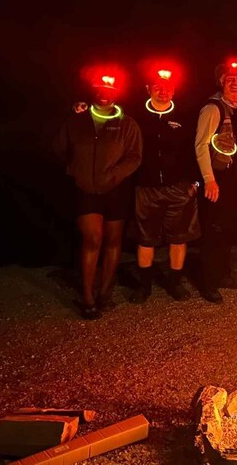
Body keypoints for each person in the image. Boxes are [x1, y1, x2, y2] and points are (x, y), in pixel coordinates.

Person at [54, 72, 142, 319]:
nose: (104, 93)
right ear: (93, 91)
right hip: (86, 190)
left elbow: (135, 155)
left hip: (116, 190)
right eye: (100, 88)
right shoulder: (76, 122)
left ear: (116, 93)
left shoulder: (127, 124)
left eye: (110, 89)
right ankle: (88, 296)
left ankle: (104, 292)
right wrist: (76, 170)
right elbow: (60, 149)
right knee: (93, 238)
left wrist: (115, 174)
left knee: (113, 240)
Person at [130, 67, 198, 304]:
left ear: (174, 90)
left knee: (179, 238)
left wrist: (195, 183)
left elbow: (194, 151)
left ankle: (175, 283)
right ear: (148, 89)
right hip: (146, 188)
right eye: (157, 87)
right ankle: (144, 286)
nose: (163, 91)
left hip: (177, 188)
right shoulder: (135, 117)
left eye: (167, 87)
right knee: (146, 239)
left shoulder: (185, 117)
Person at [194, 59, 237, 303]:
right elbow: (200, 145)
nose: (234, 82)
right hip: (219, 179)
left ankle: (223, 274)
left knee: (228, 229)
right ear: (221, 81)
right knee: (214, 231)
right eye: (229, 78)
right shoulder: (213, 108)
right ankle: (208, 282)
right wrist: (209, 179)